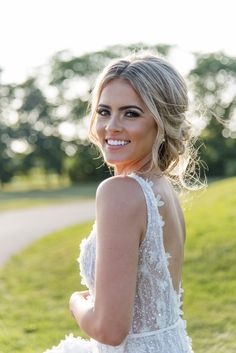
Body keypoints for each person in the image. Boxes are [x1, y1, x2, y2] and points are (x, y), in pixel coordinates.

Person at [44, 53, 196, 353]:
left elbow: (110, 330)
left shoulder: (120, 192)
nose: (111, 126)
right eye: (104, 111)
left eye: (131, 113)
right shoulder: (161, 188)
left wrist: (76, 303)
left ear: (161, 121)